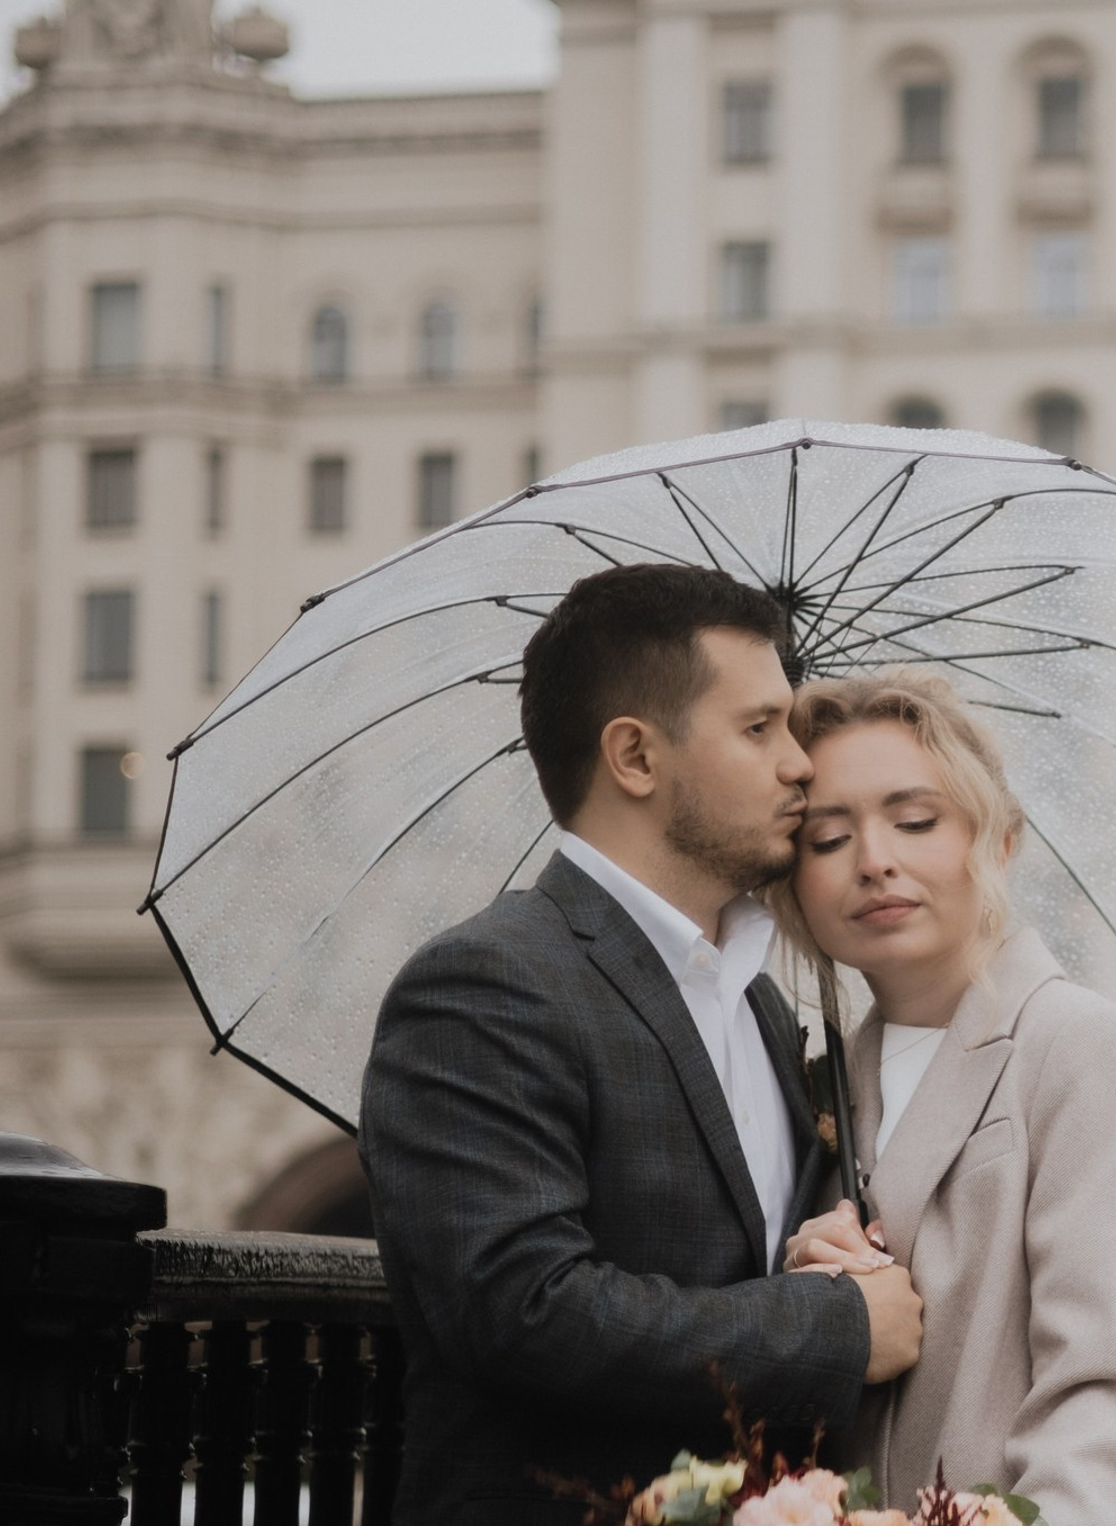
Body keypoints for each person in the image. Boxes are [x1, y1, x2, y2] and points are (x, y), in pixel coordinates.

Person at [359, 565, 923, 1525]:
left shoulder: (759, 1005)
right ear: (634, 757)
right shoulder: (483, 985)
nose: (800, 764)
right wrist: (831, 1326)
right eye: (759, 729)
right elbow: (523, 1309)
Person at [770, 671, 1116, 1526]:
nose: (875, 861)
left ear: (998, 841)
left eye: (915, 821)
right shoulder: (819, 1084)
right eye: (827, 839)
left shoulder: (1078, 1050)